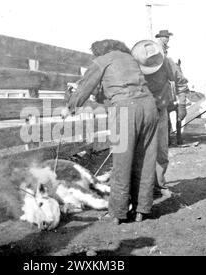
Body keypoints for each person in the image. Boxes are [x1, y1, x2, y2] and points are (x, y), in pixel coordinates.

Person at [63, 39, 159, 224]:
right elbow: (113, 89)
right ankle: (143, 209)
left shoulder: (102, 60)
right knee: (145, 159)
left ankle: (118, 212)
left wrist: (71, 104)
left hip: (125, 110)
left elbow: (85, 88)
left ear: (99, 51)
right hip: (149, 106)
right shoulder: (129, 59)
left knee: (122, 161)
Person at [132, 40, 189, 192]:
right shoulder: (132, 64)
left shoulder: (167, 63)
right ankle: (140, 187)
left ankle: (159, 183)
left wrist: (182, 105)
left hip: (159, 110)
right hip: (139, 111)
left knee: (161, 149)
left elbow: (181, 83)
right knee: (138, 150)